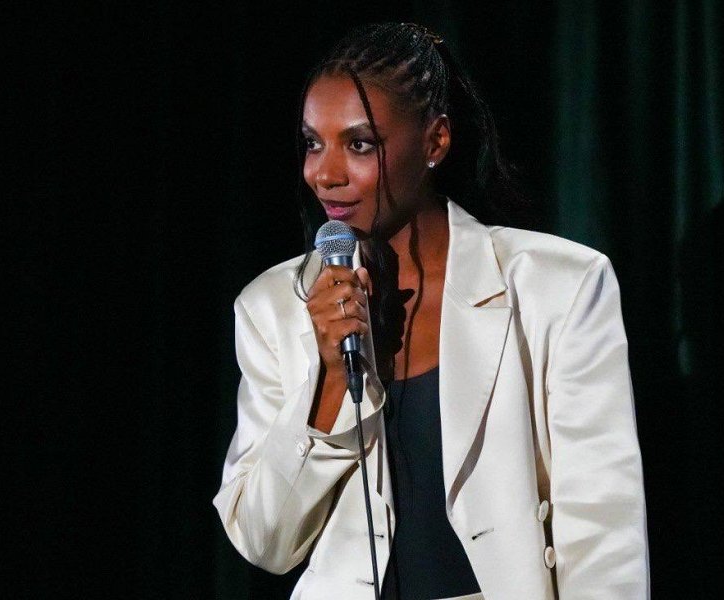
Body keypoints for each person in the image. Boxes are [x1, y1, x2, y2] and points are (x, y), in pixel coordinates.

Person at [212, 22, 650, 600]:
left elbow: (603, 528)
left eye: (359, 144)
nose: (325, 173)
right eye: (313, 143)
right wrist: (329, 382)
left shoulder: (558, 286)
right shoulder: (272, 307)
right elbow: (264, 541)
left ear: (435, 141)